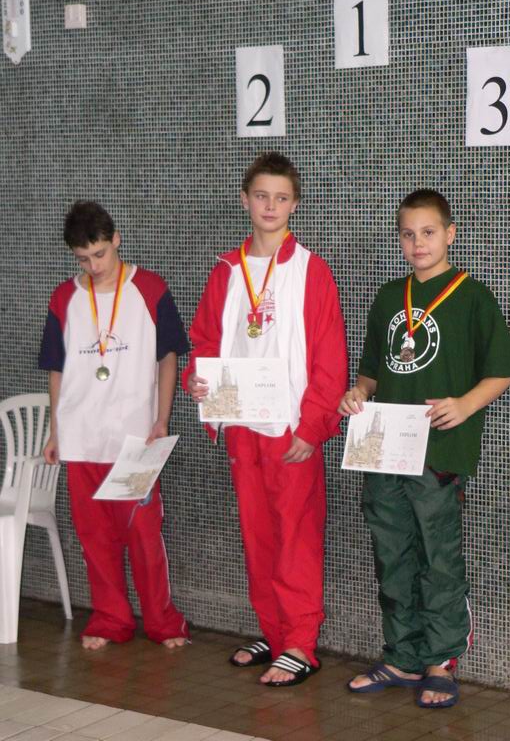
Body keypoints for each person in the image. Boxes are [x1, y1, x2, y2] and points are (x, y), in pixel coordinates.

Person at [339, 189, 510, 708]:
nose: (418, 243)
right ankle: (401, 656)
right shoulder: (387, 297)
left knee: (438, 556)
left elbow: (503, 369)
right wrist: (357, 394)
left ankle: (441, 661)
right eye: (408, 234)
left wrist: (465, 405)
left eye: (428, 232)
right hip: (383, 448)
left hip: (438, 449)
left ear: (449, 234)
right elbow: (372, 373)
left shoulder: (471, 295)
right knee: (392, 554)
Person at [184, 152, 347, 686]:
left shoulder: (310, 270)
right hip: (241, 424)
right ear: (245, 200)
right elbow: (205, 341)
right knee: (257, 535)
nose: (270, 206)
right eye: (261, 196)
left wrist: (313, 427)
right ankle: (275, 632)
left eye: (280, 198)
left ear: (295, 204)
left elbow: (330, 359)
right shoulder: (227, 270)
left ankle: (300, 642)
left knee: (296, 535)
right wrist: (197, 379)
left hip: (290, 429)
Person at [39, 200, 189, 650]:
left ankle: (162, 622)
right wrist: (55, 430)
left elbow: (168, 358)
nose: (94, 266)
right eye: (83, 259)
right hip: (82, 435)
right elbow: (57, 370)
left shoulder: (149, 288)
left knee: (143, 534)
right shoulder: (64, 297)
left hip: (135, 436)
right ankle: (110, 619)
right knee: (95, 537)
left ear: (116, 239)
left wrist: (161, 418)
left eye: (99, 254)